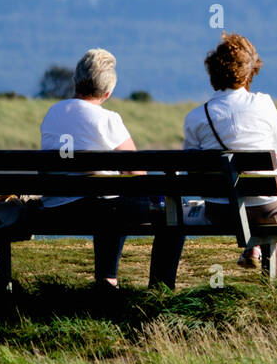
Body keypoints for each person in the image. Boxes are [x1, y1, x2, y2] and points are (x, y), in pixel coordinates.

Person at [39, 48, 186, 289]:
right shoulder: (107, 119)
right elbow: (136, 173)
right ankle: (159, 289)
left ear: (75, 80)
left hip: (55, 208)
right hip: (98, 210)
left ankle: (107, 280)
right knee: (171, 213)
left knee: (108, 199)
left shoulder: (53, 112)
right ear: (108, 92)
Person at [183, 33, 277, 275]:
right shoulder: (264, 104)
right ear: (250, 72)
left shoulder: (197, 116)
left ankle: (253, 248)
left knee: (252, 196)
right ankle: (275, 281)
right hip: (270, 208)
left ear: (213, 72)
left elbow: (192, 165)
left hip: (221, 212)